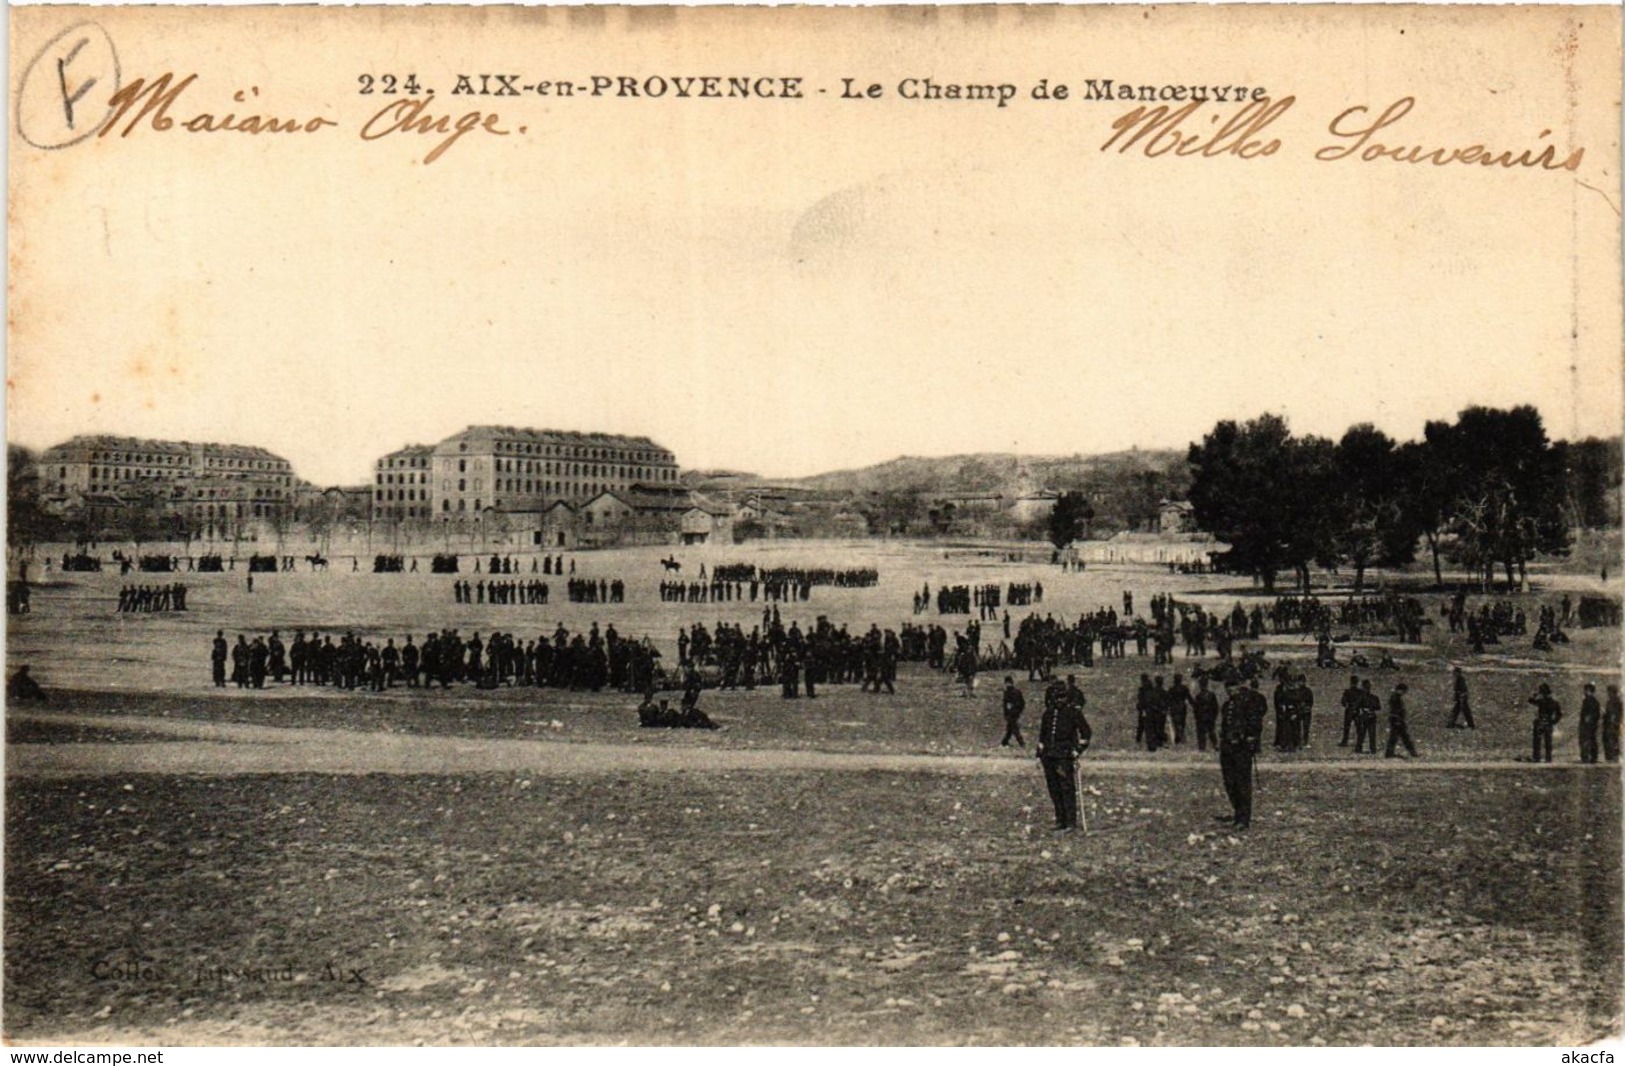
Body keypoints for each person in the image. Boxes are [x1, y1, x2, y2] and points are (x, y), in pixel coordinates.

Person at [1036, 675, 1091, 832]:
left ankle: (1070, 823)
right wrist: (1039, 754)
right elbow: (1043, 735)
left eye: (1062, 697)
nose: (1059, 700)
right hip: (1049, 756)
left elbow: (1086, 734)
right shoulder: (1048, 713)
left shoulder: (1073, 713)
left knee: (1066, 789)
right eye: (1057, 697)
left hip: (1064, 757)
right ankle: (1060, 820)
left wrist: (1077, 751)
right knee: (1054, 789)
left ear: (1067, 697)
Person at [1216, 677, 1265, 830]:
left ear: (1239, 686)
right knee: (1229, 782)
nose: (1230, 690)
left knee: (1242, 783)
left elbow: (1256, 722)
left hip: (1242, 748)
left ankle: (1243, 818)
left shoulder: (1248, 702)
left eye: (1233, 686)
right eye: (1228, 687)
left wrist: (1251, 737)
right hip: (1227, 747)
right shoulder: (1227, 705)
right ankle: (1238, 811)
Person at [1528, 683, 1562, 763]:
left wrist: (1534, 694)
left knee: (1537, 741)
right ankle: (1548, 758)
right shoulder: (1554, 702)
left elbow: (1530, 701)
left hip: (1540, 722)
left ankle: (1537, 757)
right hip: (1548, 722)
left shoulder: (1541, 701)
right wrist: (1554, 721)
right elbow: (1559, 714)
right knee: (1548, 741)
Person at [1385, 682, 1417, 758]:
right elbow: (1396, 710)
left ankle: (1389, 753)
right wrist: (1399, 719)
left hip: (1396, 720)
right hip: (1397, 720)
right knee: (1403, 737)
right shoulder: (1396, 698)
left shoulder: (1395, 697)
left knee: (1396, 737)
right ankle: (1412, 752)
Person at [1578, 682, 1601, 764]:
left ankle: (1586, 757)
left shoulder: (1588, 701)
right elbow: (1597, 714)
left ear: (1588, 690)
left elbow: (1590, 714)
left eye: (1585, 690)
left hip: (1587, 725)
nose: (1584, 692)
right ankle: (1592, 757)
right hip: (1591, 724)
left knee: (1585, 740)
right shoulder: (1594, 701)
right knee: (1591, 740)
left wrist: (1588, 719)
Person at [1000, 676, 1026, 748]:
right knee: (1010, 728)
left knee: (1014, 728)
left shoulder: (1012, 692)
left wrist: (1014, 711)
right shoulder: (1010, 692)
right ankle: (1004, 742)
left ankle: (1021, 743)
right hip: (1013, 713)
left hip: (1012, 712)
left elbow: (1020, 703)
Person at [1605, 685, 1623, 764]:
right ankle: (1613, 756)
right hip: (1613, 724)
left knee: (1612, 740)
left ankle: (1613, 756)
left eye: (1609, 692)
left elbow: (1613, 713)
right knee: (1613, 740)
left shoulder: (1613, 701)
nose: (1608, 694)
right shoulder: (1616, 701)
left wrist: (1612, 722)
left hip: (1612, 724)